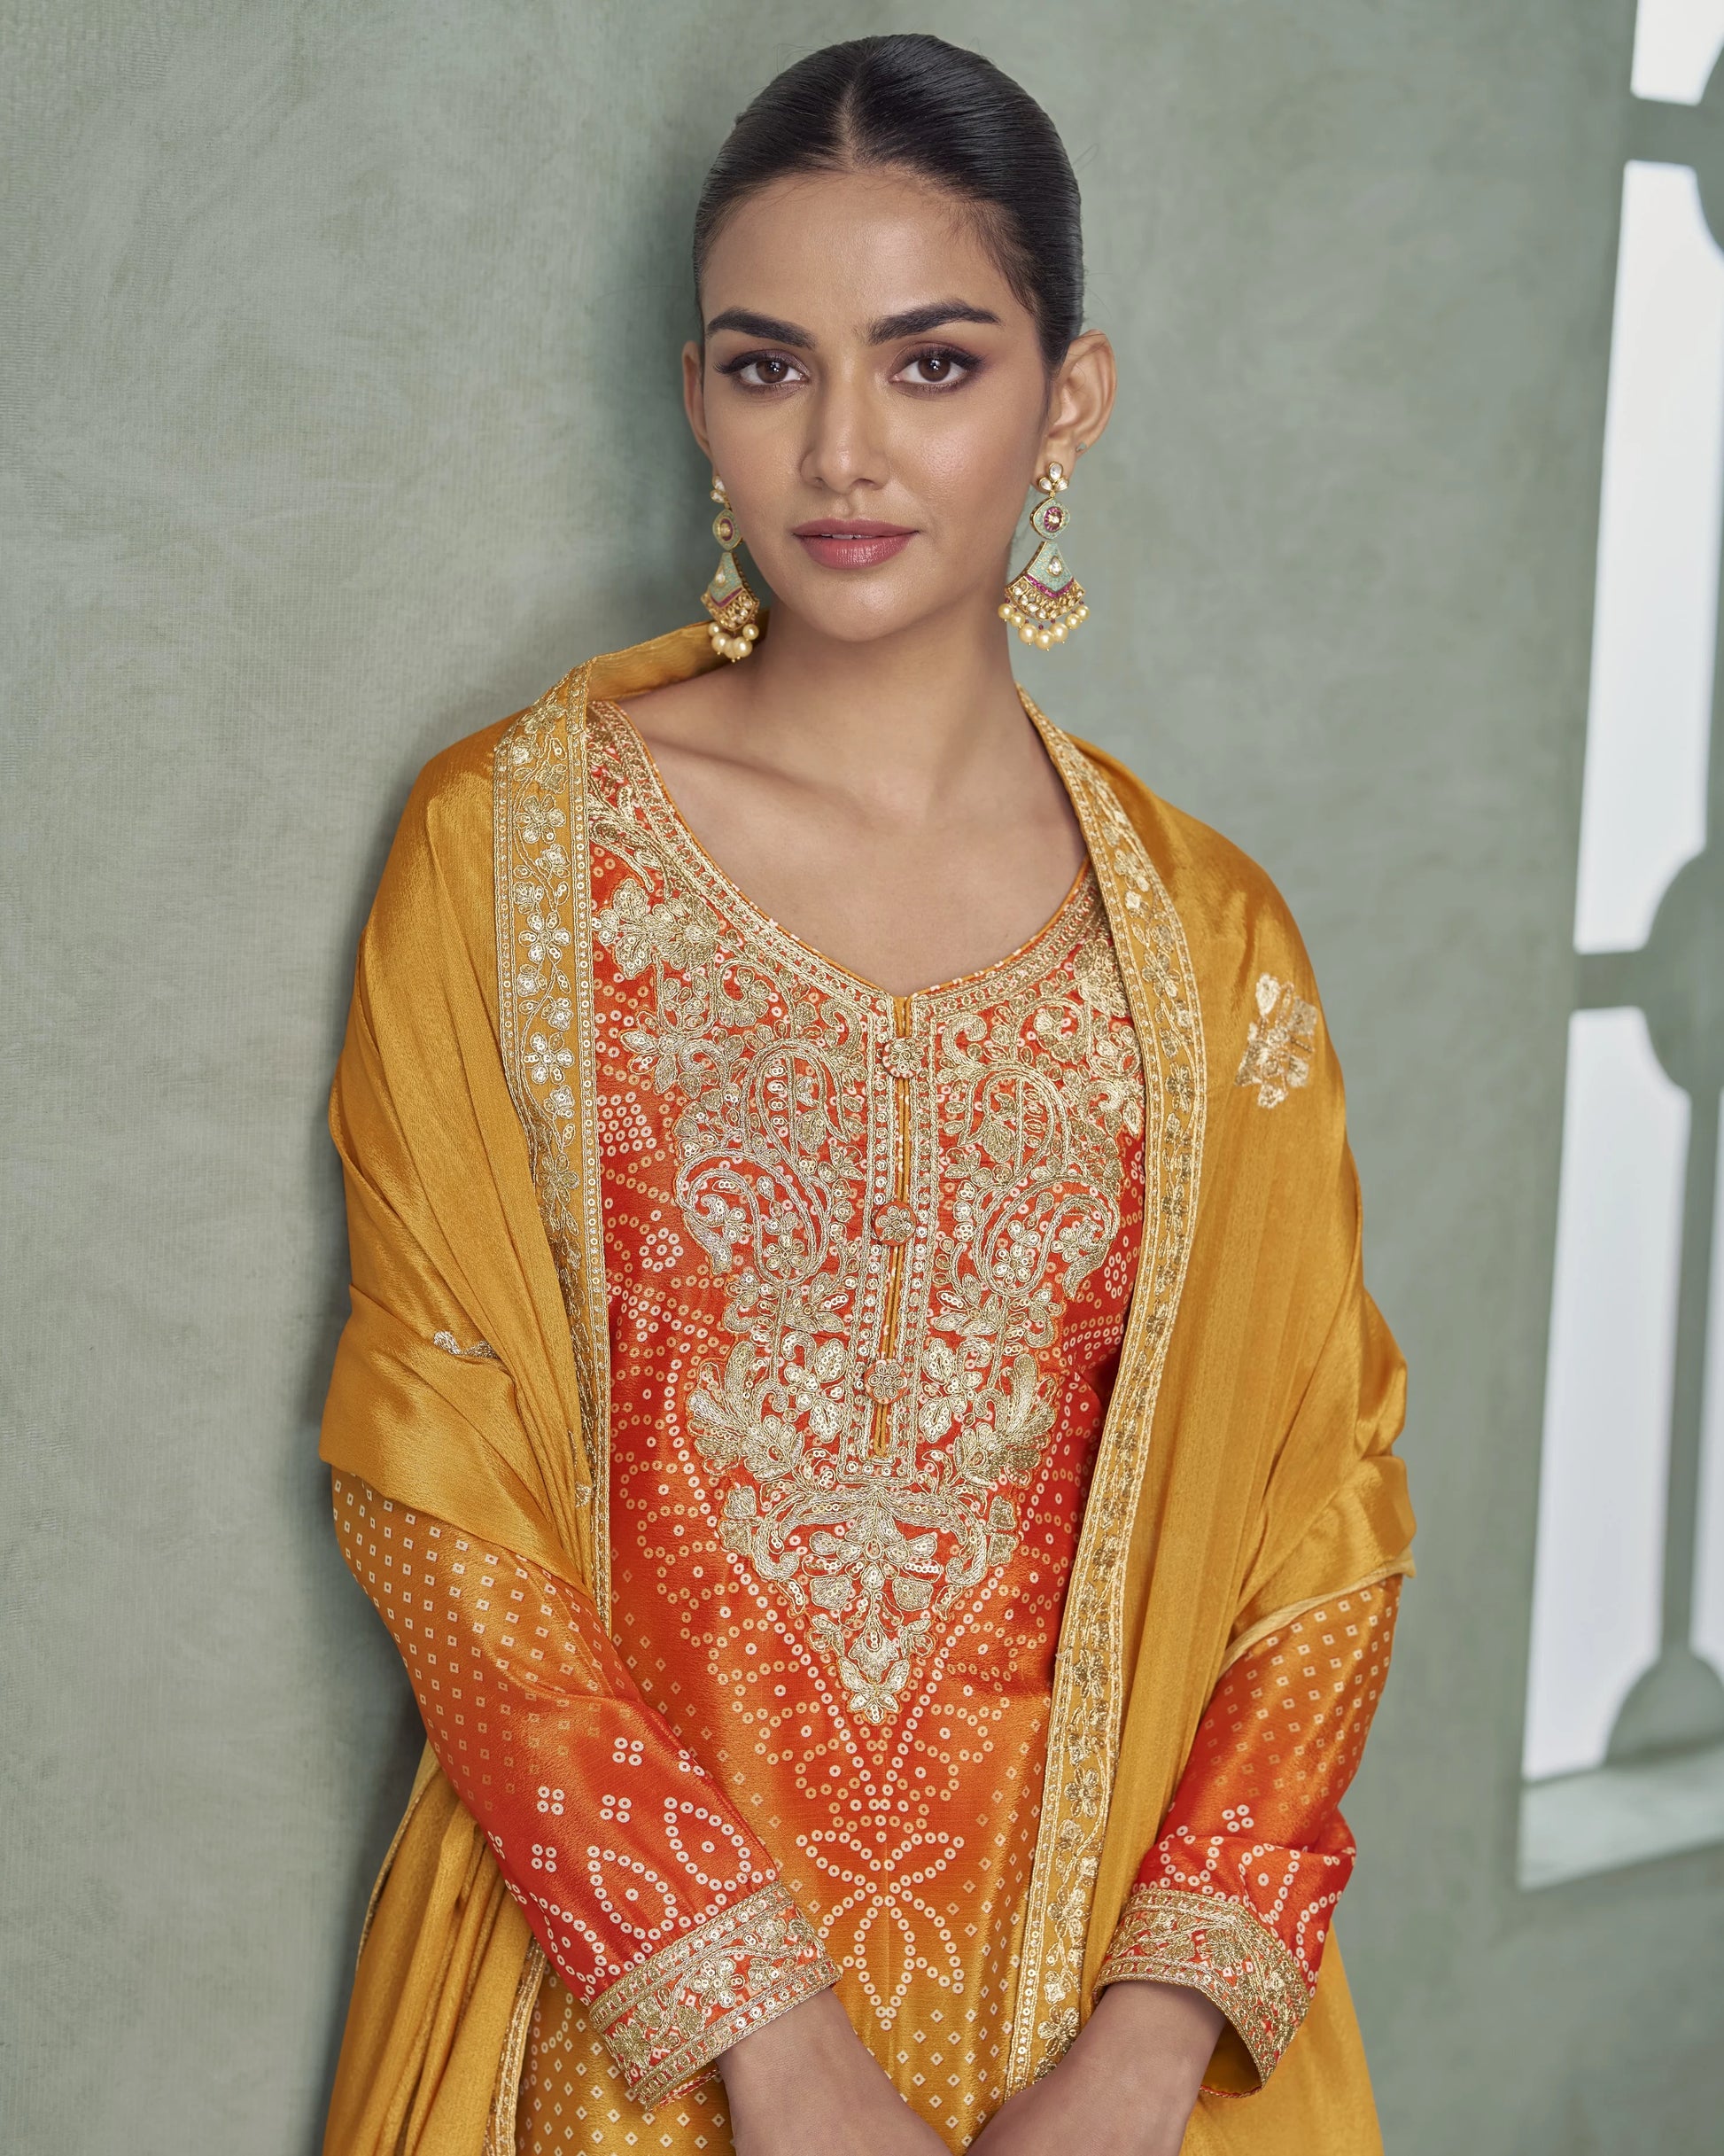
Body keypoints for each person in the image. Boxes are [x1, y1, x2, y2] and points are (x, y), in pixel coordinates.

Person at [318, 33, 1414, 2156]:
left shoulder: (1210, 944)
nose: (840, 449)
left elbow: (1322, 1514)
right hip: (628, 2032)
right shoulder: (512, 855)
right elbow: (435, 1474)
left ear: (1067, 397)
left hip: (1088, 2041)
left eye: (931, 364)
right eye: (767, 366)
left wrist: (1146, 2050)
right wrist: (771, 2040)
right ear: (695, 394)